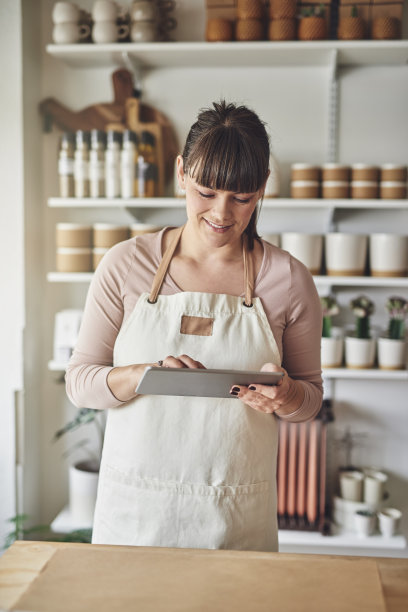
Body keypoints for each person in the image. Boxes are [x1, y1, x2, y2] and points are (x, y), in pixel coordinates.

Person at [66, 100, 323, 552]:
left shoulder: (286, 279)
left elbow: (310, 399)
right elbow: (80, 383)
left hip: (234, 518)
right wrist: (145, 375)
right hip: (135, 515)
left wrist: (288, 395)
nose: (222, 214)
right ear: (182, 173)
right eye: (206, 192)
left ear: (262, 188)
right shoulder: (127, 265)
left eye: (241, 197)